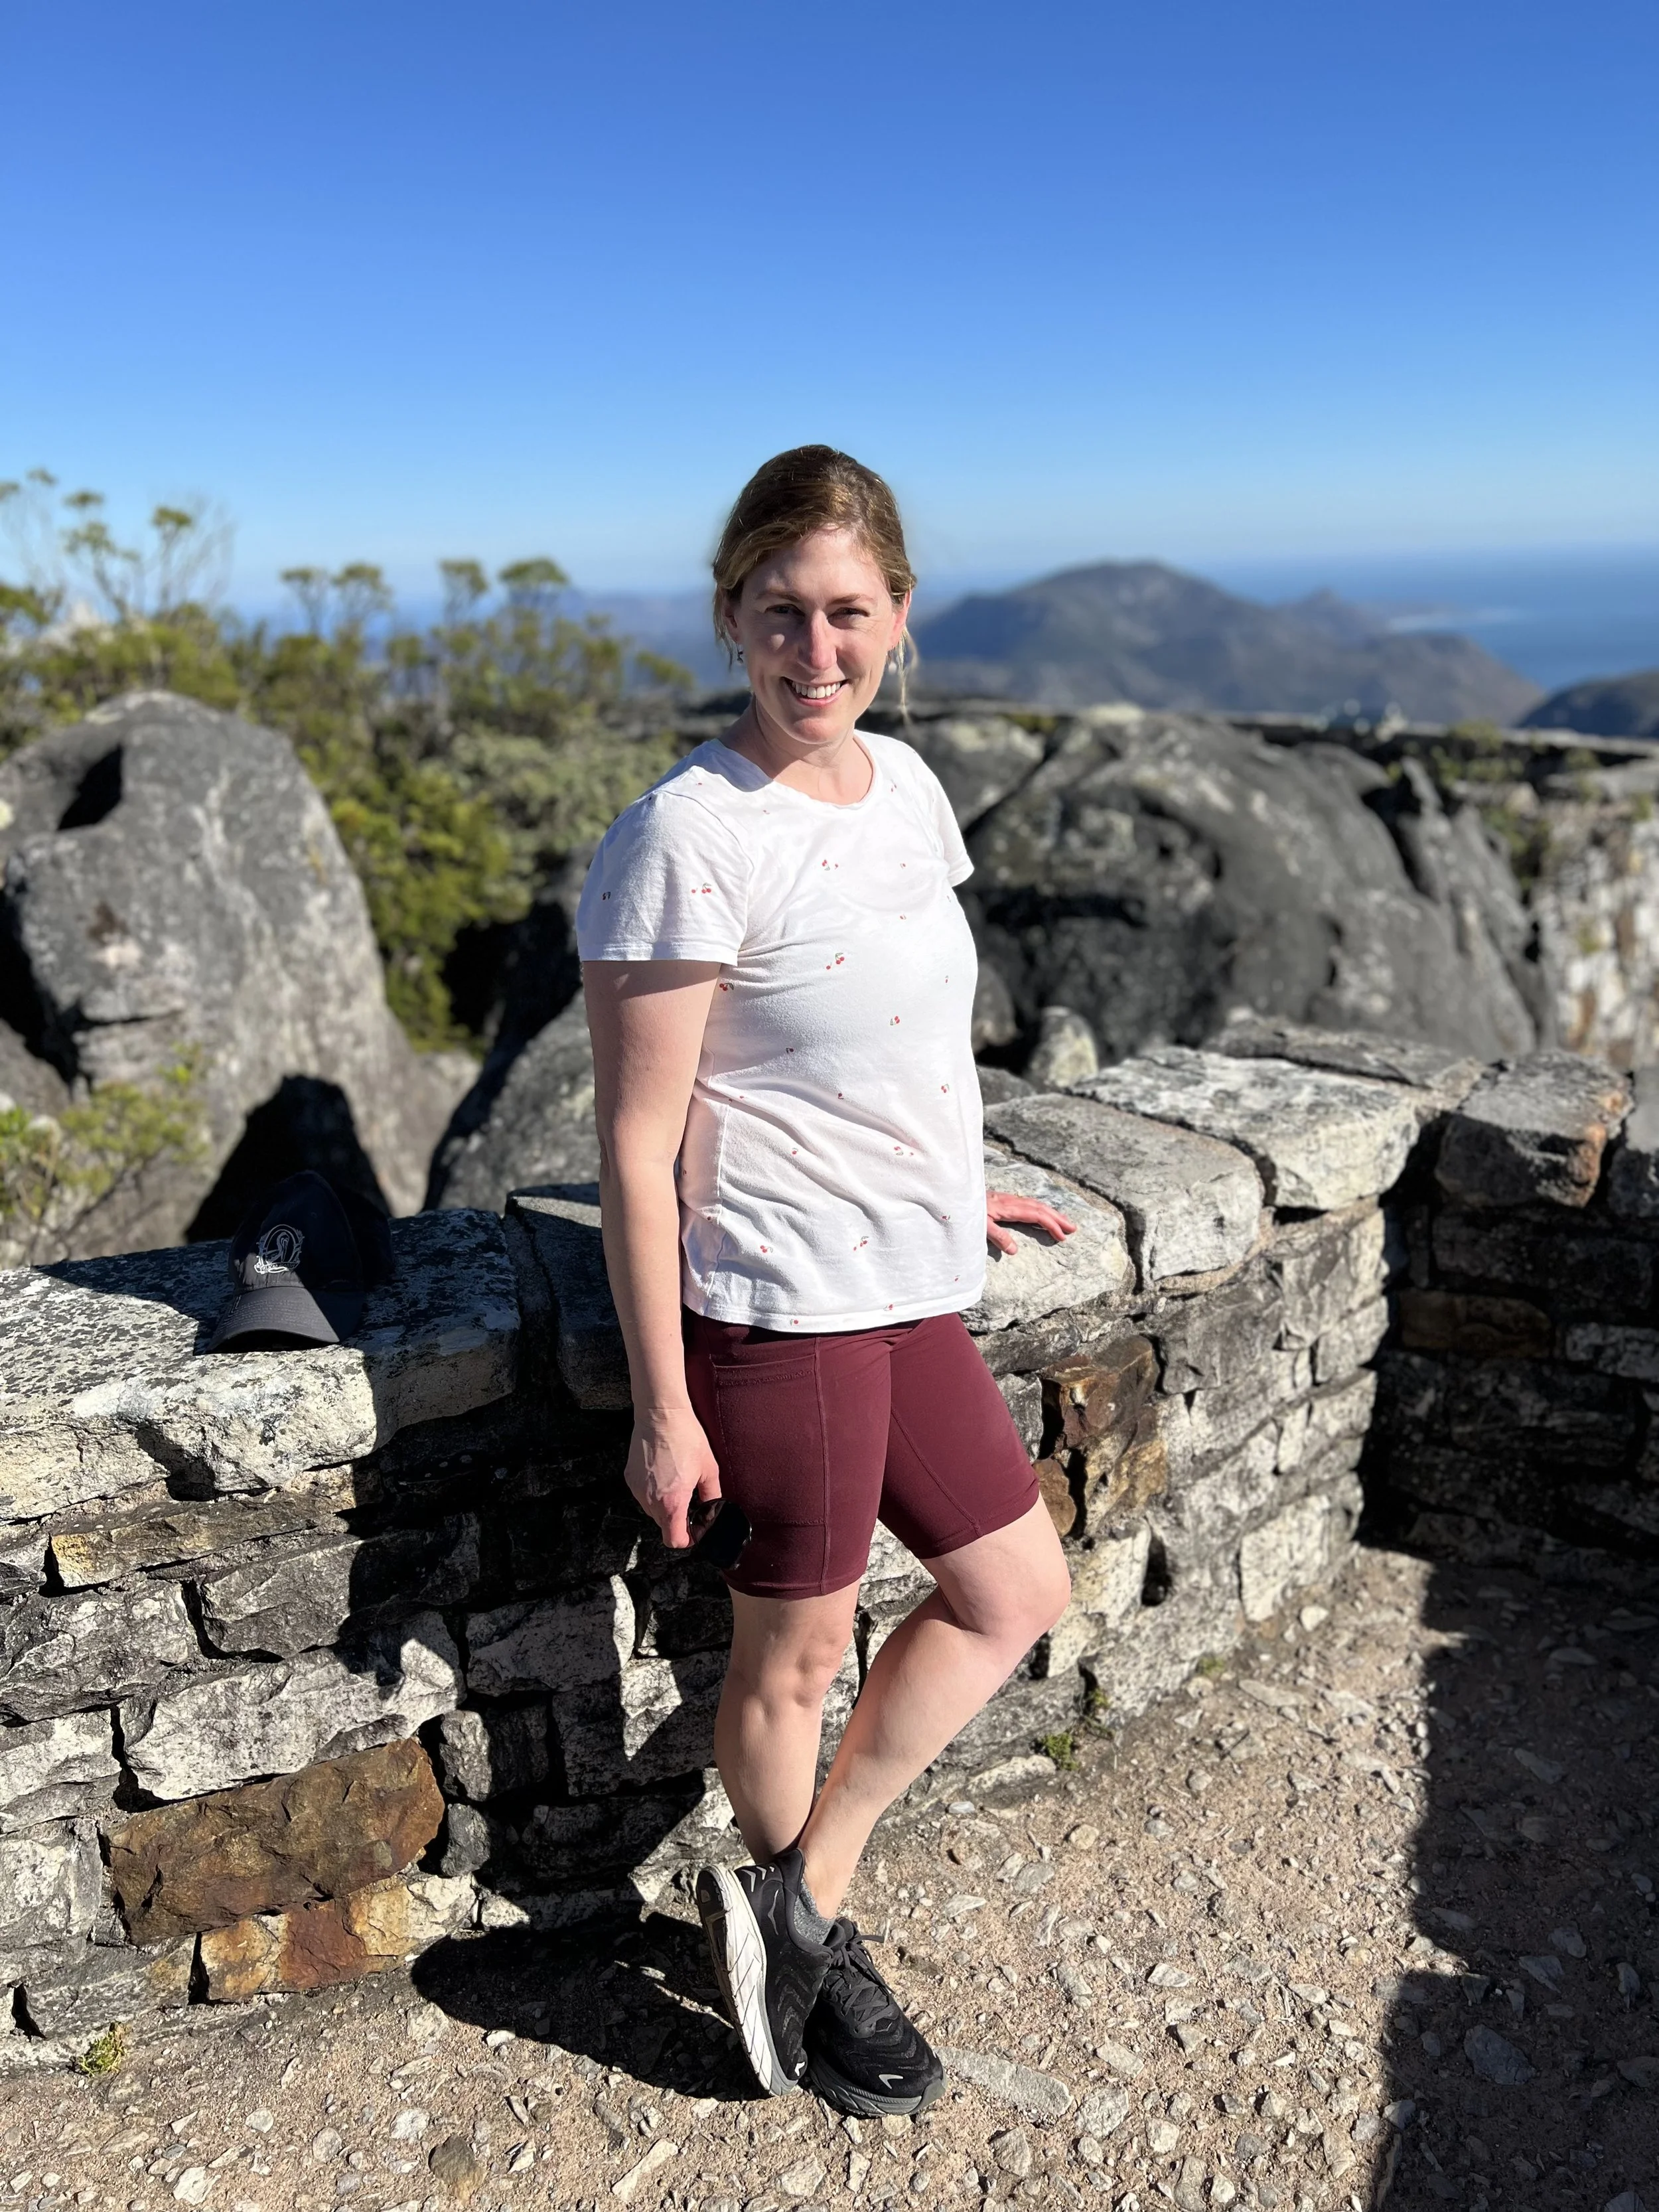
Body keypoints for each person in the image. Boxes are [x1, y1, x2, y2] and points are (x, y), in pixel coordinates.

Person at [578, 445, 1075, 2119]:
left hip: (904, 1277)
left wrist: (951, 1176)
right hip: (777, 1309)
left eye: (846, 612)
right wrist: (662, 1406)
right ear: (728, 619)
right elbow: (637, 1151)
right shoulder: (685, 837)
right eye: (780, 614)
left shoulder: (910, 791)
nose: (816, 649)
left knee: (1014, 1592)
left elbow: (901, 1029)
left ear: (898, 618)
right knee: (793, 1660)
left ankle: (802, 1886)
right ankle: (812, 1939)